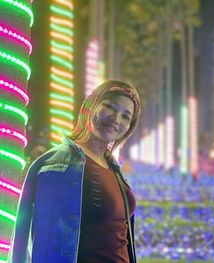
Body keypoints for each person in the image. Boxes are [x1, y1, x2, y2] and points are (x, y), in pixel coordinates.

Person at [9, 80, 141, 263]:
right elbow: (25, 237)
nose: (116, 119)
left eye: (126, 116)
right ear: (91, 105)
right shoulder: (56, 165)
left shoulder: (113, 168)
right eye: (110, 107)